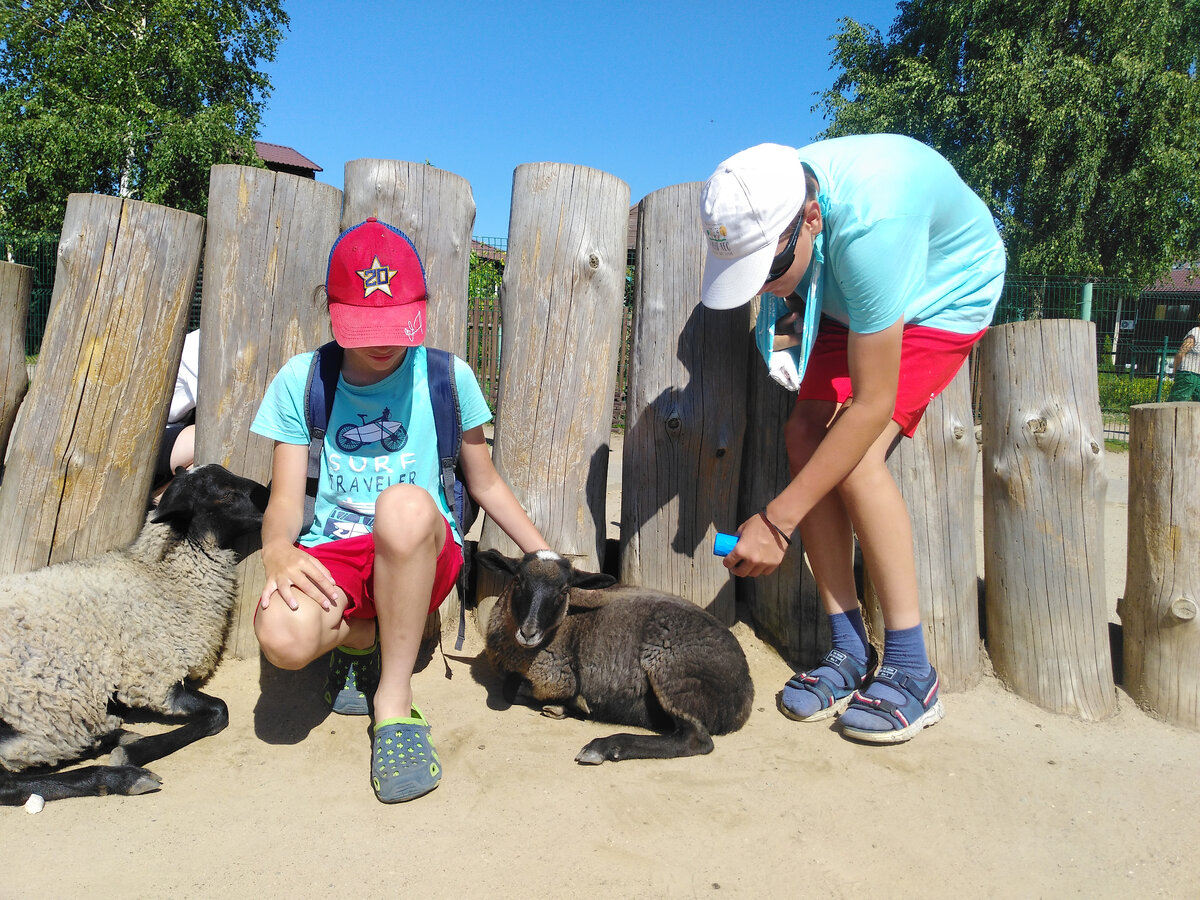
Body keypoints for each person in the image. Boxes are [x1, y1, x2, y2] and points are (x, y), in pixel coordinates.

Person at [699, 135, 1005, 744]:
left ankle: (913, 670)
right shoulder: (784, 191)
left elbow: (871, 407)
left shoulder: (872, 225)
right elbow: (796, 312)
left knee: (857, 454)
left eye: (766, 272)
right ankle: (848, 648)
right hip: (852, 294)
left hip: (939, 295)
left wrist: (778, 521)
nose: (761, 288)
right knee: (803, 431)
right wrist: (784, 317)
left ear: (809, 219)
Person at [250, 218, 548, 802]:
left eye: (396, 325)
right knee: (282, 638)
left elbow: (483, 482)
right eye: (364, 327)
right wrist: (278, 549)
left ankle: (394, 703)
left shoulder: (446, 377)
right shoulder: (301, 379)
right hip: (334, 550)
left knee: (405, 507)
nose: (383, 342)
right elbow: (286, 500)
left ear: (422, 307)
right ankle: (363, 633)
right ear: (333, 310)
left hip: (419, 544)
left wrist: (541, 552)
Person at [151, 328, 199, 499]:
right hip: (149, 437)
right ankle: (157, 499)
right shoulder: (202, 344)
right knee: (211, 440)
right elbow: (220, 418)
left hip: (171, 429)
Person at [1167, 310, 1200, 402]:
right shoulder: (1194, 333)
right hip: (1187, 373)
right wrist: (1174, 371)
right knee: (1178, 400)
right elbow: (1181, 353)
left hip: (1198, 374)